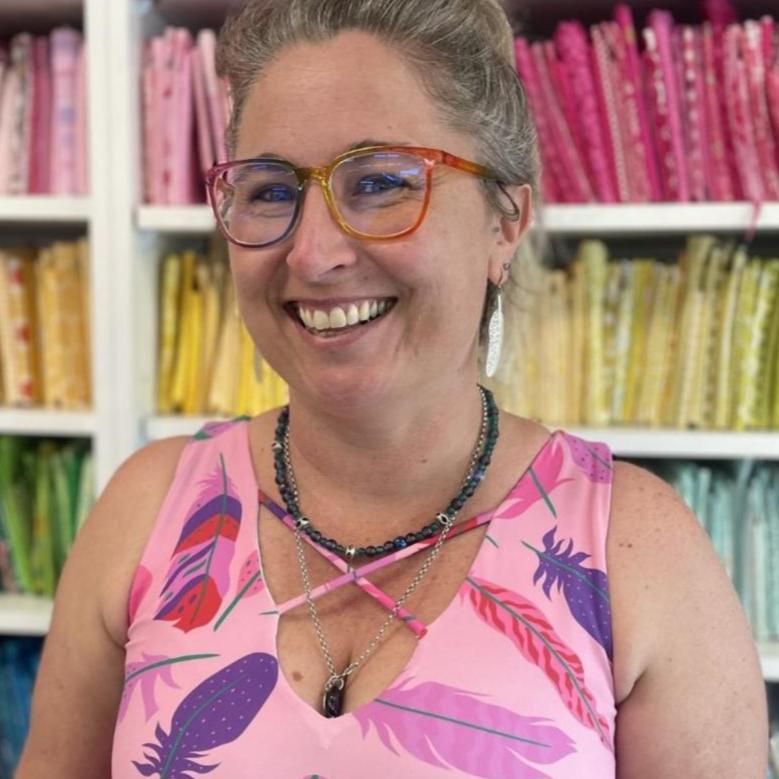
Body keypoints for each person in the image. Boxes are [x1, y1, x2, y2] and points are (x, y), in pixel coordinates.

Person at [15, 0, 768, 776]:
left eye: (378, 182)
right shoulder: (147, 512)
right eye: (269, 190)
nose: (312, 253)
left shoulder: (635, 551)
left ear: (504, 222)